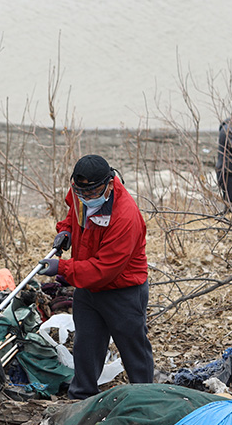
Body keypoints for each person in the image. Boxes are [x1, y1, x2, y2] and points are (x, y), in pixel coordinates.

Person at [37, 154, 153, 400]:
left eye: (92, 194)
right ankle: (80, 397)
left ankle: (146, 398)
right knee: (86, 344)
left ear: (109, 184)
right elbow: (73, 211)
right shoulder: (82, 192)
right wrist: (66, 230)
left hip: (123, 290)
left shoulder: (126, 217)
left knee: (133, 348)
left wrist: (63, 268)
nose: (87, 199)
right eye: (82, 193)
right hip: (87, 287)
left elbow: (104, 270)